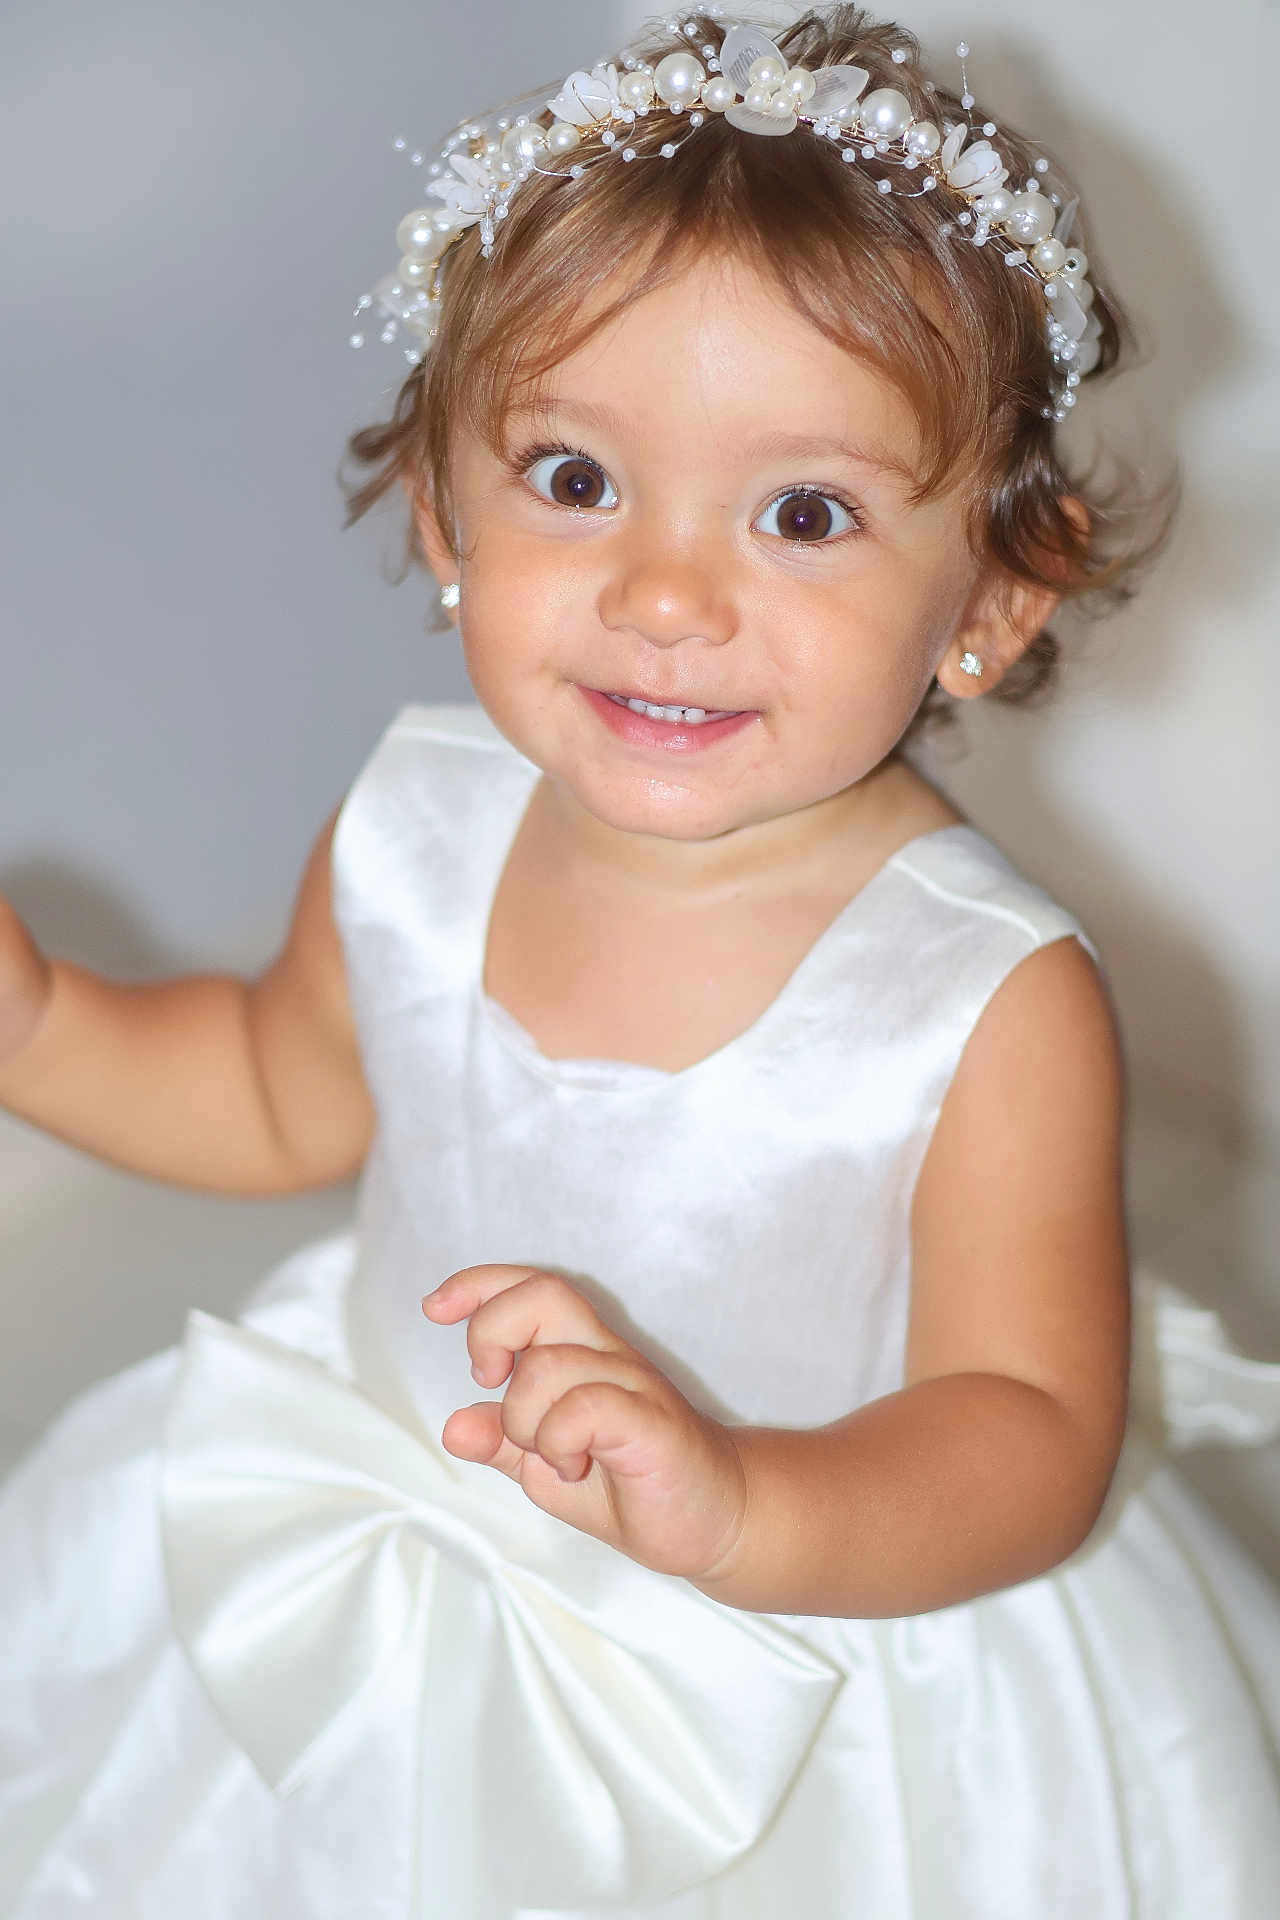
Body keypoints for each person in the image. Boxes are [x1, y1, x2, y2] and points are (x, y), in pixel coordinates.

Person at [1, 5, 1278, 1914]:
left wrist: (742, 1499)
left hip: (801, 1662)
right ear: (442, 506)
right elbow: (276, 1089)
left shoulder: (982, 999)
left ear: (993, 604)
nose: (667, 594)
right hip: (391, 1549)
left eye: (806, 514)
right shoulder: (418, 832)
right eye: (577, 481)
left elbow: (1026, 1432)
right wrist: (38, 1022)